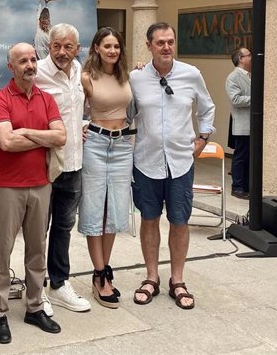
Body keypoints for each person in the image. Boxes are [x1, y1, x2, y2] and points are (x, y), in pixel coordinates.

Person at [129, 23, 215, 310]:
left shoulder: (191, 75)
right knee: (149, 219)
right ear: (149, 45)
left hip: (180, 161)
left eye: (170, 42)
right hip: (146, 160)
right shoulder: (136, 78)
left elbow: (207, 106)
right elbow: (126, 112)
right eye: (160, 43)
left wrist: (203, 137)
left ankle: (177, 280)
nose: (166, 47)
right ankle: (151, 277)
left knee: (180, 220)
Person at [0, 43, 65, 344]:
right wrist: (42, 138)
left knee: (37, 250)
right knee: (1, 253)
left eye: (33, 59)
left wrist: (27, 133)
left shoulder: (47, 99)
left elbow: (61, 136)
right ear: (11, 67)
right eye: (23, 61)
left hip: (41, 184)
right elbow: (5, 143)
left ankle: (35, 307)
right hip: (8, 187)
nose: (30, 65)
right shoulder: (0, 99)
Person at [35, 24, 91, 313]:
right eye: (57, 45)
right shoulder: (37, 72)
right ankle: (36, 289)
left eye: (68, 46)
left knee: (63, 228)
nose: (62, 52)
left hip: (74, 164)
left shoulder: (78, 69)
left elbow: (76, 110)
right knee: (37, 230)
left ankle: (58, 283)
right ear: (49, 46)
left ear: (77, 49)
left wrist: (80, 126)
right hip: (44, 165)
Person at [79, 27, 134, 309]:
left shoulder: (128, 77)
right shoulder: (86, 77)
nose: (113, 51)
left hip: (123, 146)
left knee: (114, 210)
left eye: (116, 46)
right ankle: (100, 275)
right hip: (97, 145)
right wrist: (81, 127)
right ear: (96, 48)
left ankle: (104, 269)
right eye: (107, 46)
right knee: (94, 209)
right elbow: (72, 107)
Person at [225, 47, 252, 200]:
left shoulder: (251, 75)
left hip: (252, 124)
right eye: (249, 55)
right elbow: (235, 99)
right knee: (241, 156)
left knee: (249, 157)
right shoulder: (233, 77)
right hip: (242, 123)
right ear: (241, 59)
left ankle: (248, 186)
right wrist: (256, 98)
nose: (252, 57)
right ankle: (237, 186)